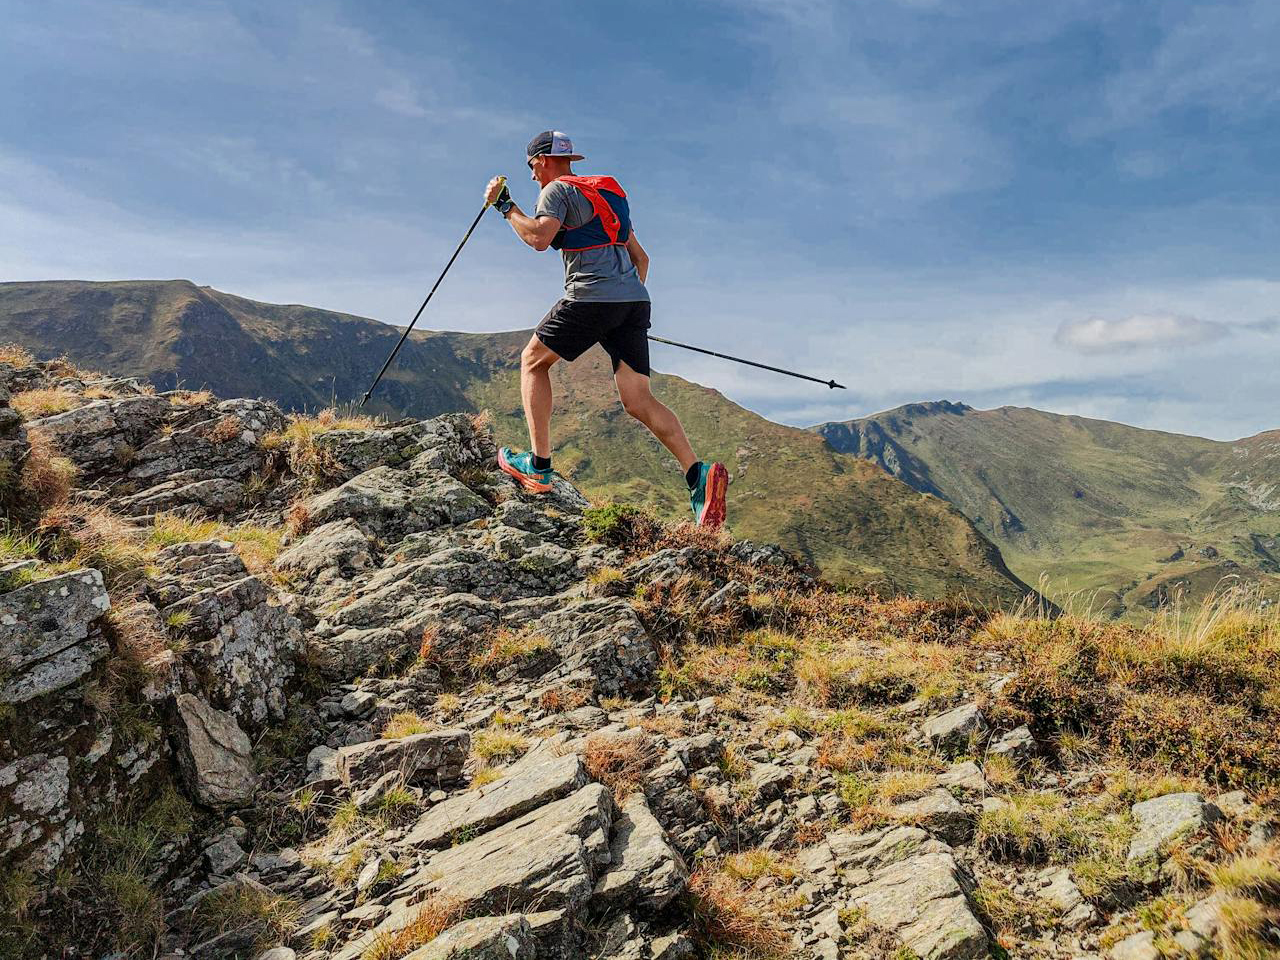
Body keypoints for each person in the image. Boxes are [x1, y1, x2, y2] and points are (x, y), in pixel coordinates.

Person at [483, 130, 728, 528]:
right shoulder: (607, 195)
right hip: (633, 301)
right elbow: (641, 258)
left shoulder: (556, 191)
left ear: (543, 160)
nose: (531, 176)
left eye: (531, 167)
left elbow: (539, 239)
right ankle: (697, 475)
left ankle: (538, 467)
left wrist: (505, 206)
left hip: (591, 296)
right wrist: (621, 312)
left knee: (532, 362)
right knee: (638, 400)